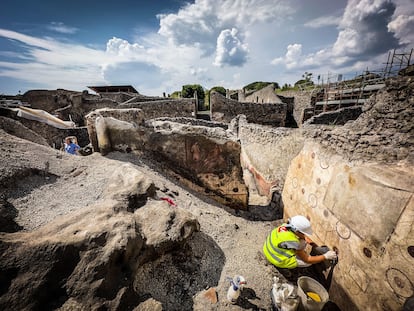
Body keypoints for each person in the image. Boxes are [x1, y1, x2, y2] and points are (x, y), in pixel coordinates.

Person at [263, 215, 337, 270]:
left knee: (302, 243)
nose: (304, 235)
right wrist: (326, 256)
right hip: (277, 259)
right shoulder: (293, 241)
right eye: (303, 233)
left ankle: (298, 252)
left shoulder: (285, 226)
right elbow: (307, 259)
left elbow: (302, 237)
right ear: (297, 231)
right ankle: (285, 269)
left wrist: (314, 245)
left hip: (268, 250)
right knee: (308, 264)